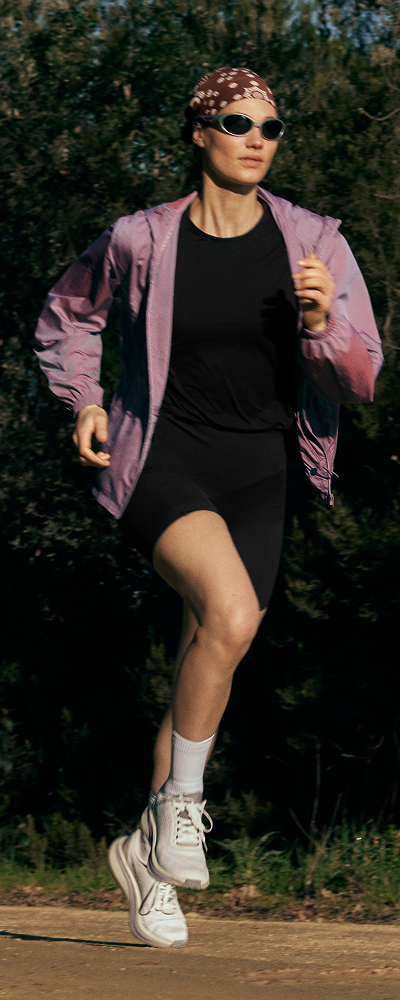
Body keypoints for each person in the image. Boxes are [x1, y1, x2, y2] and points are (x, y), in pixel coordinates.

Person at [34, 66, 383, 948]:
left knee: (211, 652)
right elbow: (69, 314)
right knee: (229, 614)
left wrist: (321, 324)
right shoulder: (141, 239)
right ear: (199, 133)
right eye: (236, 123)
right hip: (163, 458)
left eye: (271, 126)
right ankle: (181, 805)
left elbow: (362, 378)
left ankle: (148, 862)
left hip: (261, 470)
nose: (256, 139)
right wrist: (83, 398)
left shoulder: (314, 243)